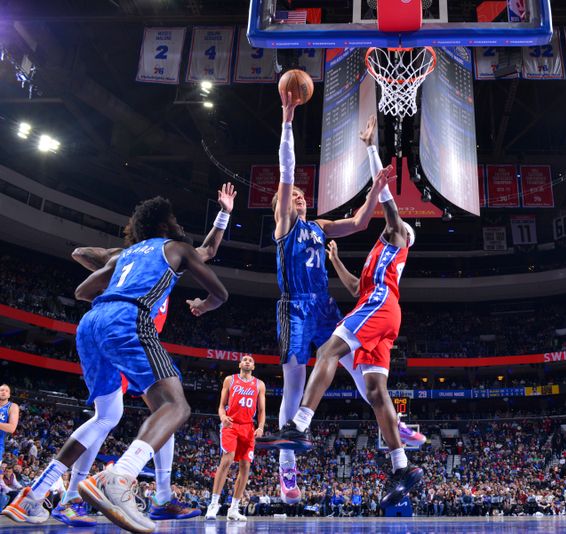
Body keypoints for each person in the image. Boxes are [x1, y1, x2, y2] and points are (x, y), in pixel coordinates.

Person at [3, 196, 229, 532]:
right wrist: (203, 305)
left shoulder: (125, 256)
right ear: (166, 224)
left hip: (92, 324)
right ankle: (119, 478)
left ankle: (34, 496)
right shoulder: (175, 249)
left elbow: (82, 291)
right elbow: (219, 289)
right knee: (175, 407)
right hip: (129, 324)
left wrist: (224, 214)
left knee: (111, 415)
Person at [269, 101, 424, 504]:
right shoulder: (285, 224)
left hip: (329, 306)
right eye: (295, 196)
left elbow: (358, 222)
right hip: (295, 305)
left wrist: (375, 188)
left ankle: (310, 425)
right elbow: (287, 175)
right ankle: (290, 468)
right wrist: (287, 122)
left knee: (337, 355)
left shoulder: (324, 228)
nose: (300, 197)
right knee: (308, 381)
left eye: (303, 195)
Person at [205, 355, 267, 521]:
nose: (247, 361)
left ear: (253, 366)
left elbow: (261, 410)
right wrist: (222, 417)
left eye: (250, 360)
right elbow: (221, 405)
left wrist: (260, 427)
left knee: (245, 466)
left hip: (248, 427)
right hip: (231, 425)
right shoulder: (229, 380)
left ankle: (233, 508)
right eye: (244, 359)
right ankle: (213, 505)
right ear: (240, 364)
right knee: (227, 460)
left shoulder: (259, 384)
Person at [0, 385, 19, 466]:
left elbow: (12, 428)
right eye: (1, 390)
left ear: (9, 395)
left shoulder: (12, 406)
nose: (4, 392)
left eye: (6, 391)